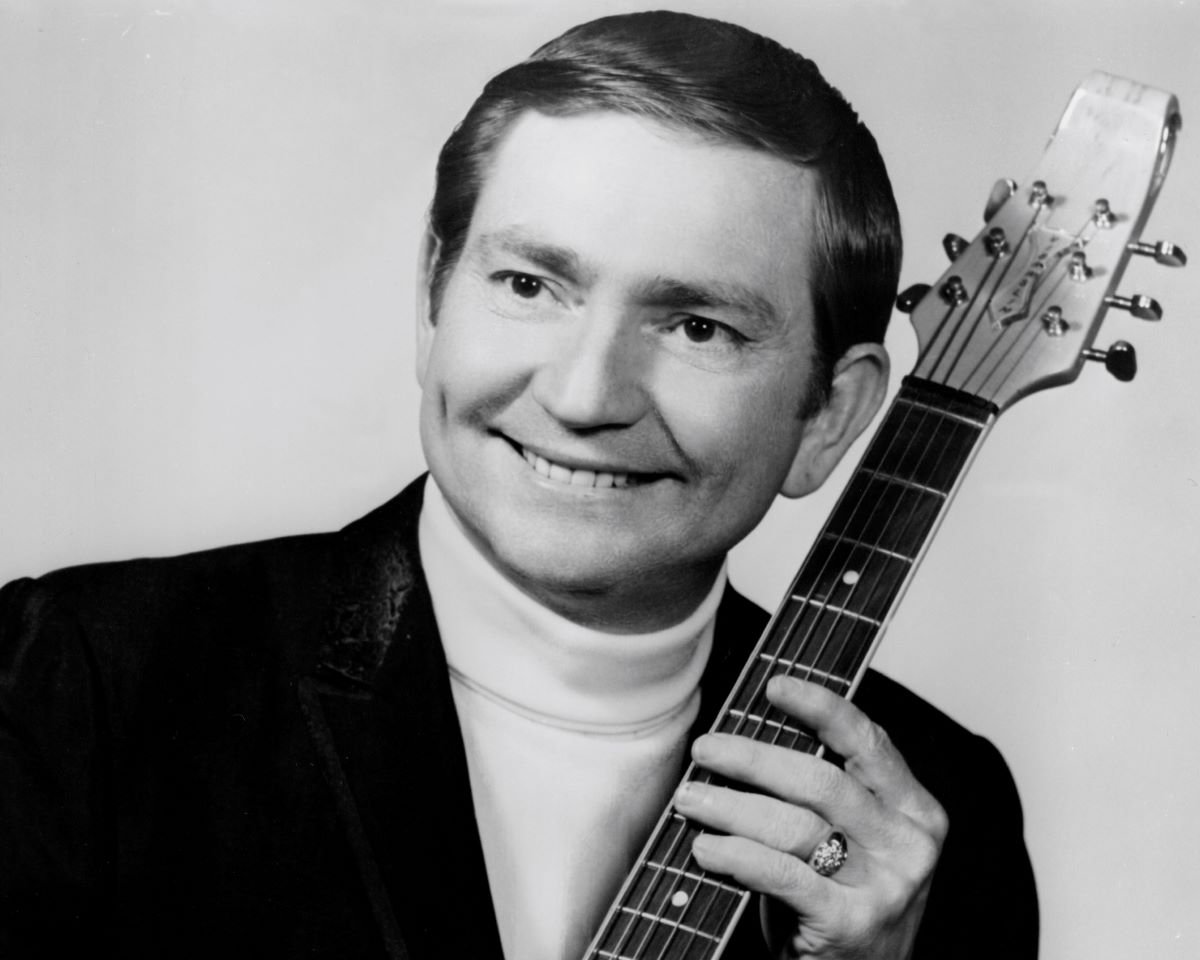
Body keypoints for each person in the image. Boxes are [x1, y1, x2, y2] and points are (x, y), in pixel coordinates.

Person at [0, 11, 1037, 960]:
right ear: (430, 302)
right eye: (531, 285)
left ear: (829, 418)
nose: (586, 396)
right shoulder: (84, 684)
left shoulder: (931, 824)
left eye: (696, 327)